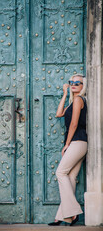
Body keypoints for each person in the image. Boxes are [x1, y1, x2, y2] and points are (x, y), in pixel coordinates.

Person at [48, 74, 87, 226]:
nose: (74, 84)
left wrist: (67, 144)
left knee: (60, 172)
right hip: (80, 142)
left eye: (78, 83)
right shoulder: (73, 101)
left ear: (84, 86)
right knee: (70, 177)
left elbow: (74, 124)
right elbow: (59, 113)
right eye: (72, 82)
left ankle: (74, 211)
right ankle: (63, 216)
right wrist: (65, 94)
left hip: (77, 141)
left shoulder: (79, 99)